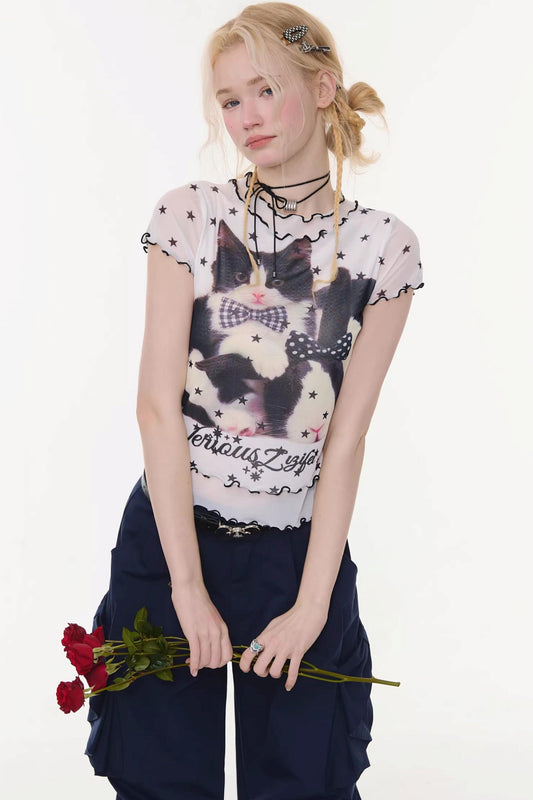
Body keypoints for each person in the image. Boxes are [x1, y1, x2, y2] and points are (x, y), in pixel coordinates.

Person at [84, 3, 425, 799]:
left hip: (295, 554)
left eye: (265, 90)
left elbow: (345, 440)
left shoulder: (384, 246)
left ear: (323, 87)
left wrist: (312, 605)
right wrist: (185, 586)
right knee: (161, 780)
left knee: (306, 778)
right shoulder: (190, 214)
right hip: (171, 538)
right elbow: (156, 407)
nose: (246, 117)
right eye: (229, 99)